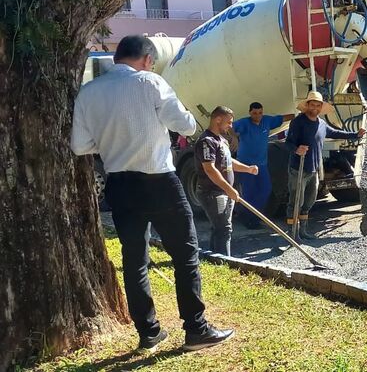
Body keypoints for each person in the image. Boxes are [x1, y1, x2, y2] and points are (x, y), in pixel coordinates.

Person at [71, 35, 233, 352]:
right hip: (159, 180)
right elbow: (185, 126)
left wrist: (109, 142)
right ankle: (196, 330)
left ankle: (148, 334)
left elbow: (80, 146)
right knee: (186, 255)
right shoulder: (151, 82)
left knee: (135, 261)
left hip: (119, 184)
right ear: (147, 59)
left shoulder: (90, 92)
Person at [284, 91, 364, 239]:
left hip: (314, 169)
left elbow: (335, 133)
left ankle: (303, 231)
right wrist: (297, 149)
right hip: (298, 169)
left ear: (321, 107)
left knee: (309, 201)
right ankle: (292, 232)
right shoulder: (298, 122)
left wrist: (355, 134)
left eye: (318, 105)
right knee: (296, 202)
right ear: (307, 105)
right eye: (312, 104)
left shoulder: (321, 123)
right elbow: (288, 143)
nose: (315, 108)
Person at [196, 106, 258, 256]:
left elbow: (229, 162)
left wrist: (248, 169)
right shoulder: (207, 141)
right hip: (213, 193)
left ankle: (214, 258)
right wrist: (228, 189)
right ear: (218, 119)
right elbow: (209, 169)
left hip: (223, 191)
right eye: (229, 122)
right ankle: (224, 262)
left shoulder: (222, 140)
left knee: (219, 228)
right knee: (224, 228)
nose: (231, 126)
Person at [231, 102, 293, 229]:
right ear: (250, 112)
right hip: (245, 164)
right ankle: (249, 219)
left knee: (266, 189)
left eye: (260, 113)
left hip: (261, 164)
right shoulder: (244, 123)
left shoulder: (267, 121)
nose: (257, 115)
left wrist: (299, 115)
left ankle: (252, 215)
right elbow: (230, 127)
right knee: (249, 192)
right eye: (254, 113)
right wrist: (234, 138)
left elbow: (284, 117)